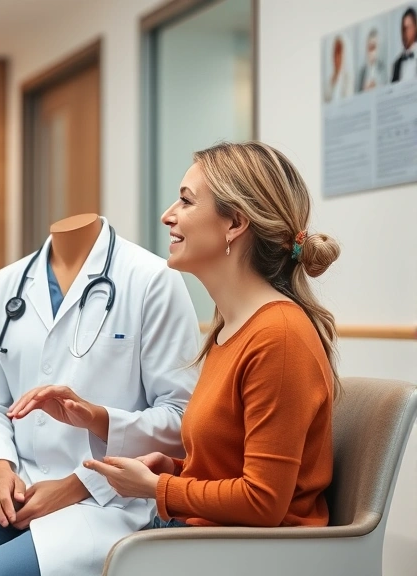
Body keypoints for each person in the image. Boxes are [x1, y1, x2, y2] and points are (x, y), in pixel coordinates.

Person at [19, 141, 339, 529]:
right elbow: (230, 464)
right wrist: (173, 467)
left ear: (235, 224)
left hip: (247, 554)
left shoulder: (279, 337)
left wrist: (159, 487)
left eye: (186, 202)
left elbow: (264, 502)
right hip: (200, 535)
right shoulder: (232, 328)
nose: (167, 216)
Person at [0, 212, 201, 576]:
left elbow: (179, 416)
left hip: (109, 498)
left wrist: (79, 485)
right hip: (18, 484)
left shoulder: (152, 278)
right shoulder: (8, 283)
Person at [323, 36, 354, 103]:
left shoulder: (348, 79)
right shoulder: (329, 81)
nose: (336, 57)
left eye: (339, 52)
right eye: (334, 52)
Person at [391, 7, 417, 83]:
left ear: (415, 28)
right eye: (403, 29)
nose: (405, 33)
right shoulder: (397, 64)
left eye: (408, 28)